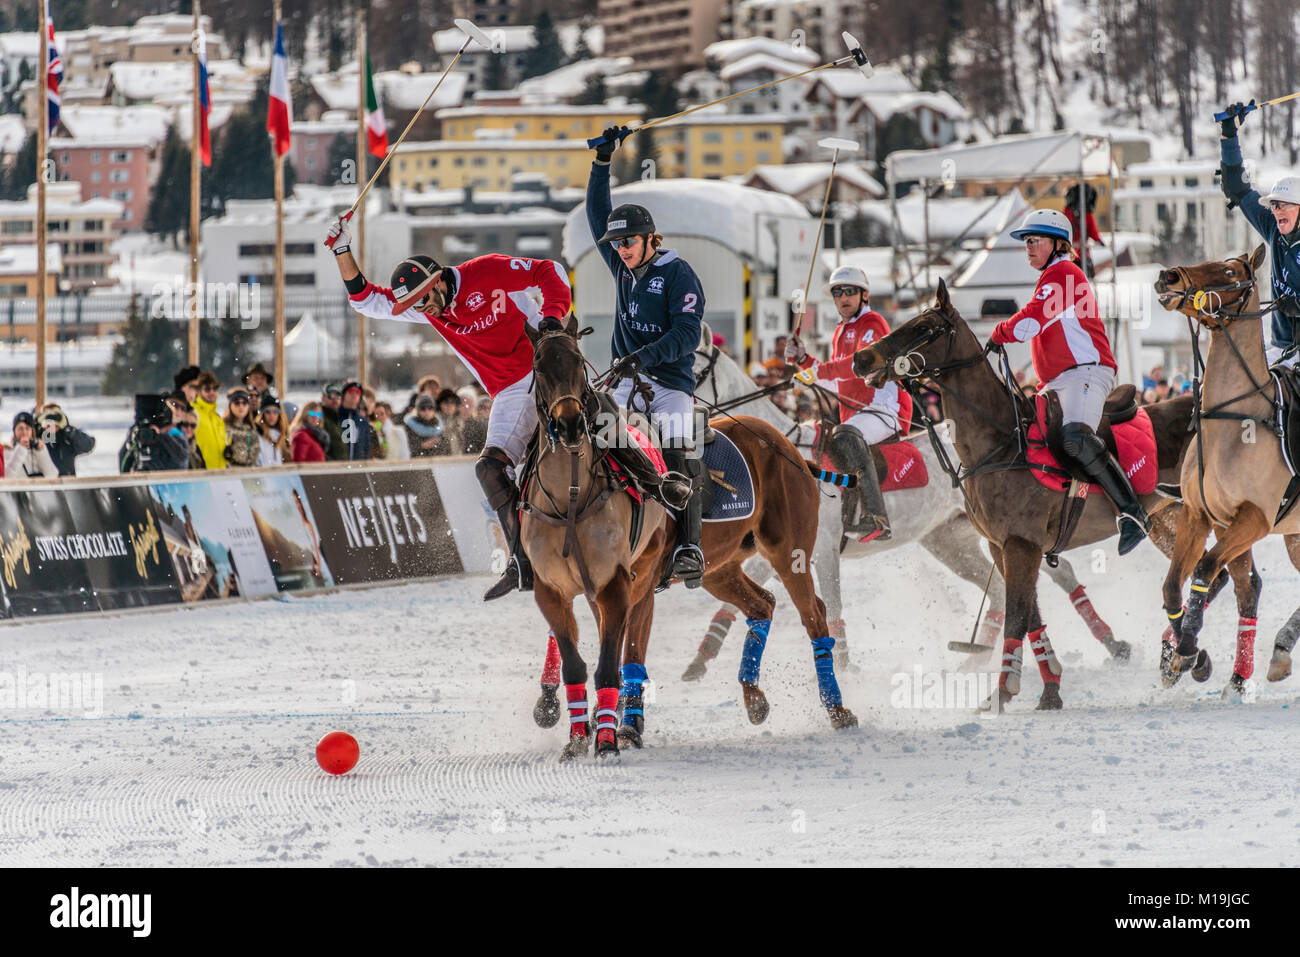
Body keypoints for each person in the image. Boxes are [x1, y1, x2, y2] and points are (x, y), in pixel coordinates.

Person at [326, 213, 582, 601]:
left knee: (610, 432)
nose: (422, 310)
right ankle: (522, 561)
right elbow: (365, 300)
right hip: (512, 390)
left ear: (439, 281)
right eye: (413, 305)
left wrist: (550, 320)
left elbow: (551, 271)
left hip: (547, 367)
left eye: (423, 299)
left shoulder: (487, 271)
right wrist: (342, 250)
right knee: (490, 467)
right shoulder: (426, 304)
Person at [989, 207, 1149, 554]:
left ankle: (1133, 513)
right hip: (1060, 380)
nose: (1028, 248)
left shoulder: (1064, 273)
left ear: (1059, 244)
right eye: (1026, 242)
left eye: (1035, 241)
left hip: (1087, 373)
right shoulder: (1051, 276)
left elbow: (1030, 321)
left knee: (1075, 439)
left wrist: (997, 333)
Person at [586, 125, 706, 586]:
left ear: (651, 238)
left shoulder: (679, 274)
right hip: (623, 384)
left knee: (679, 448)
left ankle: (690, 548)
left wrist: (643, 357)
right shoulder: (622, 266)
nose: (621, 249)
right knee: (595, 443)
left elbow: (687, 333)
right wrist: (601, 164)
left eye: (629, 242)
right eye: (617, 245)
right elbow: (600, 216)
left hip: (670, 386)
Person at [786, 264, 912, 542]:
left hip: (883, 409)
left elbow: (860, 364)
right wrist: (804, 361)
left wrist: (814, 372)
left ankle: (877, 519)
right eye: (837, 292)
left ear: (864, 295)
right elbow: (835, 382)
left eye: (850, 291)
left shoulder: (873, 323)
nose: (843, 297)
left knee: (842, 436)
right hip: (855, 416)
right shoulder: (840, 332)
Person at [1219, 102, 1300, 369]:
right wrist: (1229, 136)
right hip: (1281, 346)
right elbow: (1238, 189)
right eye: (1275, 205)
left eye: (1284, 204)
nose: (1277, 211)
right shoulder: (1272, 228)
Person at [118, 395, 188, 473]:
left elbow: (182, 457)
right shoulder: (138, 434)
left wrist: (161, 436)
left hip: (169, 479)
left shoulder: (174, 433)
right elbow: (124, 457)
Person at [35, 403, 94, 476]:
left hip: (67, 483)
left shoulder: (67, 438)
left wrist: (67, 428)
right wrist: (36, 425)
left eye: (56, 416)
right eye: (47, 416)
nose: (52, 420)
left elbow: (87, 445)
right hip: (43, 484)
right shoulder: (37, 436)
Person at [1062, 183, 1103, 277]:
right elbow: (1094, 234)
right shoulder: (1083, 215)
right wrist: (1100, 242)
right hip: (1078, 258)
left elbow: (1094, 234)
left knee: (1072, 285)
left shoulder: (1066, 213)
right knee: (1083, 284)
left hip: (1072, 257)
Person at [6, 411, 59, 478]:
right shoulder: (7, 450)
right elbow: (7, 476)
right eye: (20, 428)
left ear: (32, 431)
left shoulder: (38, 449)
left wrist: (41, 452)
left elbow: (53, 475)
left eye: (27, 428)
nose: (24, 432)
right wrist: (20, 449)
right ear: (14, 431)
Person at [192, 371, 228, 469]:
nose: (212, 392)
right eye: (207, 389)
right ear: (198, 392)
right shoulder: (192, 413)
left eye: (215, 388)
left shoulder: (217, 418)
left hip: (222, 475)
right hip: (202, 476)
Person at [223, 387, 259, 467]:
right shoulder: (223, 426)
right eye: (237, 403)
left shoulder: (252, 428)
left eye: (244, 403)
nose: (241, 406)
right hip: (230, 474)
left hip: (250, 472)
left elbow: (255, 454)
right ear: (230, 405)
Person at [338, 379, 372, 460]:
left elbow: (366, 447)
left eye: (358, 392)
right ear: (343, 395)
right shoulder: (334, 416)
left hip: (358, 468)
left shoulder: (362, 421)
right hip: (337, 467)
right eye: (351, 391)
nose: (354, 394)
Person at [255, 393, 289, 466]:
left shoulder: (281, 435)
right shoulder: (258, 434)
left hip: (278, 476)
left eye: (275, 412)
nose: (271, 415)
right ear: (262, 414)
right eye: (267, 411)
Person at [318, 382, 347, 461]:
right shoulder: (318, 417)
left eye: (338, 395)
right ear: (323, 398)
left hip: (345, 468)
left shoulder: (342, 418)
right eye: (331, 395)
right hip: (329, 469)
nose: (335, 399)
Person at [432, 388, 465, 456]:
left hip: (458, 460)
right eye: (446, 402)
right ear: (440, 405)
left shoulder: (460, 423)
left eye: (452, 402)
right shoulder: (434, 421)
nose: (449, 405)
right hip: (440, 460)